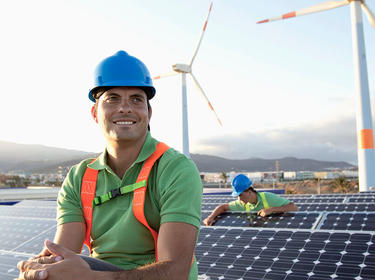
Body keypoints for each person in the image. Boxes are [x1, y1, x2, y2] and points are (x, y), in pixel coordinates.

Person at [17, 50, 203, 280]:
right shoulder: (79, 177)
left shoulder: (176, 169)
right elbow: (62, 254)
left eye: (136, 99)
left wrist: (91, 278)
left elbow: (174, 272)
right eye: (112, 98)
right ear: (95, 112)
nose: (125, 108)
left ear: (149, 113)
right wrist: (43, 270)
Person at [203, 174, 298, 226]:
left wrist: (271, 209)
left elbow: (293, 207)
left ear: (248, 192)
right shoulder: (242, 204)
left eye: (240, 195)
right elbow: (222, 207)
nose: (238, 198)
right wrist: (211, 217)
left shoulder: (268, 197)